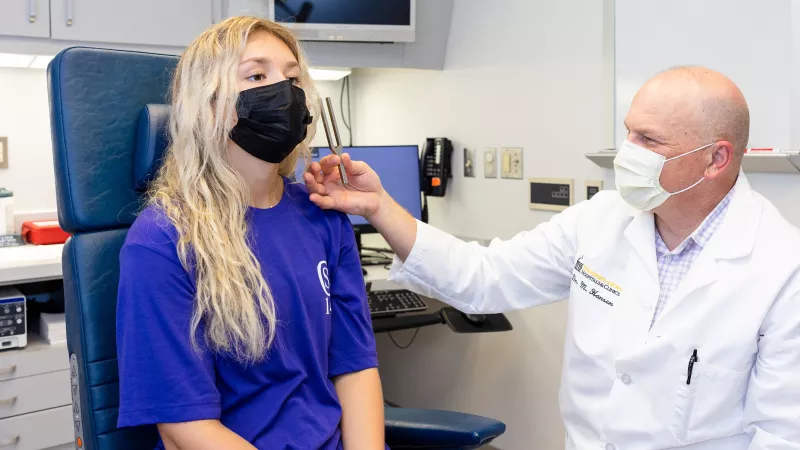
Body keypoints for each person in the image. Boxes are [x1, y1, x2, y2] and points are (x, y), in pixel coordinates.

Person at [304, 67, 800, 449]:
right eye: (629, 132)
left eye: (649, 141)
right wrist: (379, 205)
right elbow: (483, 278)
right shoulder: (603, 218)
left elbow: (780, 434)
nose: (627, 153)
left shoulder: (782, 269)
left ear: (716, 159)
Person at [115, 17, 385, 450]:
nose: (285, 91)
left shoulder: (325, 217)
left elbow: (354, 367)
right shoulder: (164, 239)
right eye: (257, 75)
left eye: (293, 78)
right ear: (208, 105)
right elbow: (185, 427)